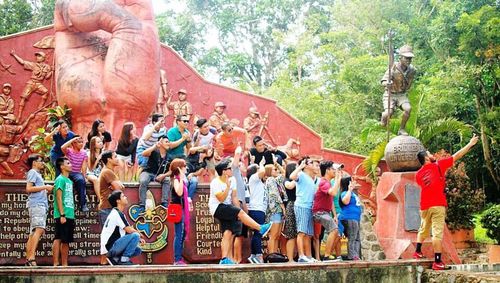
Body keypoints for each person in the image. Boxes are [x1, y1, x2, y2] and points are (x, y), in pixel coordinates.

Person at [414, 134, 478, 270]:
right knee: (437, 233)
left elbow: (428, 184)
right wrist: (470, 144)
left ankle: (417, 252)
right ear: (426, 158)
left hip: (424, 206)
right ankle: (437, 262)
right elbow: (457, 155)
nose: (432, 154)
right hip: (437, 205)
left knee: (423, 229)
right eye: (429, 153)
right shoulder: (438, 165)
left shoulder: (418, 174)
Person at [208, 158, 272, 264]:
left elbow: (234, 197)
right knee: (238, 214)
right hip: (217, 207)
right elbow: (221, 199)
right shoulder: (215, 182)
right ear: (224, 171)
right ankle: (260, 228)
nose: (231, 170)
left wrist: (239, 211)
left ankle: (224, 259)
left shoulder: (233, 180)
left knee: (228, 233)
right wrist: (227, 187)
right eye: (229, 169)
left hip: (227, 207)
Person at [101, 190, 145, 265]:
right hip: (110, 247)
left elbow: (124, 232)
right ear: (118, 201)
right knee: (135, 235)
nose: (126, 197)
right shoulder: (117, 213)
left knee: (137, 250)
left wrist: (138, 239)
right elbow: (129, 230)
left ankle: (116, 259)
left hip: (110, 248)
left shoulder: (116, 213)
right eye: (123, 196)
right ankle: (124, 260)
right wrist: (140, 234)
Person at [380, 45, 416, 136]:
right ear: (400, 57)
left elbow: (409, 83)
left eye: (410, 58)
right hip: (390, 94)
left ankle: (401, 129)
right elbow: (383, 80)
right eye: (406, 58)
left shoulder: (412, 70)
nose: (408, 60)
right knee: (388, 113)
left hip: (401, 95)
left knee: (408, 109)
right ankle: (383, 119)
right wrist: (387, 83)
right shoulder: (393, 68)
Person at [290, 157, 320, 263]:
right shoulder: (301, 175)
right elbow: (292, 176)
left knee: (308, 234)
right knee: (301, 233)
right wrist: (299, 167)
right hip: (302, 206)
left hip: (309, 207)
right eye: (311, 162)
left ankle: (309, 256)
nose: (313, 164)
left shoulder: (310, 178)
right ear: (305, 165)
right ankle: (301, 256)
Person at [25, 154, 53, 266]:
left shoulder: (37, 174)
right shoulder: (33, 172)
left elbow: (35, 189)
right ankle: (32, 258)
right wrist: (45, 187)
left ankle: (28, 259)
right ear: (34, 162)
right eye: (40, 161)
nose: (43, 163)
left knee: (33, 232)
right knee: (39, 229)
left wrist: (45, 190)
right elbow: (29, 188)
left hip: (38, 204)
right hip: (37, 205)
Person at [98, 150, 125, 265]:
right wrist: (117, 186)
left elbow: (118, 188)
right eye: (115, 156)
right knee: (107, 236)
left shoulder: (109, 172)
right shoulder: (108, 172)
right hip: (106, 208)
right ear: (109, 159)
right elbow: (119, 188)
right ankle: (104, 262)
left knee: (112, 235)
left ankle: (107, 261)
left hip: (108, 208)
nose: (117, 158)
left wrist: (116, 186)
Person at [10, 50, 52, 122]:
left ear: (43, 58)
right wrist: (14, 55)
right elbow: (22, 62)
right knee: (23, 98)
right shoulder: (33, 65)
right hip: (31, 83)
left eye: (39, 56)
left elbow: (47, 77)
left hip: (39, 84)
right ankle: (19, 116)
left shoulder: (47, 67)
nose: (37, 57)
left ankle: (40, 107)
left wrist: (51, 71)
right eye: (37, 56)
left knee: (46, 92)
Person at [312, 161, 342, 261]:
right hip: (319, 213)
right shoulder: (324, 182)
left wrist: (335, 215)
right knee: (334, 229)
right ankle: (326, 256)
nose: (335, 171)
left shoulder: (328, 183)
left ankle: (327, 255)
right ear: (327, 170)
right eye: (333, 169)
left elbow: (331, 200)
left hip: (325, 212)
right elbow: (333, 192)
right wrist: (338, 178)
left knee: (335, 231)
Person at [52, 157, 75, 266]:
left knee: (66, 240)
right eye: (68, 163)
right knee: (59, 238)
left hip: (70, 214)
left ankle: (65, 263)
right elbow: (59, 197)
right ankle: (56, 263)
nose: (70, 164)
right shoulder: (60, 179)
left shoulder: (69, 181)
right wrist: (62, 214)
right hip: (62, 214)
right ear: (62, 166)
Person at [169, 159, 192, 265]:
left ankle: (179, 257)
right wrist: (182, 177)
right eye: (184, 166)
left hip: (182, 208)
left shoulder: (181, 180)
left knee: (182, 233)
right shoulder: (176, 180)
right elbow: (179, 192)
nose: (186, 168)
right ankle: (177, 259)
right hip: (177, 209)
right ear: (179, 168)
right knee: (179, 234)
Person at [138, 135, 171, 207]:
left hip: (159, 176)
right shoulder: (154, 151)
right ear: (160, 143)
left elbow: (171, 171)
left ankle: (164, 203)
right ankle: (142, 204)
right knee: (143, 181)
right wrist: (154, 146)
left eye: (169, 142)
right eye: (166, 142)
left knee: (167, 180)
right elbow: (144, 154)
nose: (168, 143)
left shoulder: (169, 156)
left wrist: (164, 175)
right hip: (148, 172)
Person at [246, 160, 268, 264]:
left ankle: (253, 255)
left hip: (260, 209)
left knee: (257, 233)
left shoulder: (259, 181)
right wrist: (261, 164)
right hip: (256, 209)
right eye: (258, 169)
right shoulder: (253, 178)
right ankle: (257, 255)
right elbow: (263, 171)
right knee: (258, 233)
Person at [61, 135, 89, 212]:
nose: (81, 144)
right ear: (73, 143)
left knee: (81, 181)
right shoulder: (69, 151)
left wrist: (84, 176)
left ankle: (83, 205)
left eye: (82, 142)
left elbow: (84, 166)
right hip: (68, 172)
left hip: (76, 173)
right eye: (79, 142)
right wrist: (73, 139)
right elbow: (62, 147)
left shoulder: (84, 153)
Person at [264, 162, 286, 254]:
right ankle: (271, 255)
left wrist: (277, 165)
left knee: (277, 235)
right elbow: (275, 194)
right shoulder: (270, 180)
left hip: (279, 210)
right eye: (274, 169)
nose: (277, 171)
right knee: (273, 235)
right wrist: (283, 207)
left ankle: (275, 254)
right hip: (275, 210)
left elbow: (284, 173)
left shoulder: (276, 180)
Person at [339, 176, 362, 261]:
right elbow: (345, 201)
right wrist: (349, 190)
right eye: (352, 181)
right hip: (349, 217)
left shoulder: (352, 193)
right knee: (352, 237)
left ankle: (356, 255)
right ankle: (352, 256)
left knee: (357, 238)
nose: (354, 182)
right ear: (348, 183)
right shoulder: (345, 193)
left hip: (355, 218)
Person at [283, 163, 298, 262]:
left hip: (299, 205)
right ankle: (290, 258)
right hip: (291, 205)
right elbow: (290, 186)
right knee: (291, 234)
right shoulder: (287, 180)